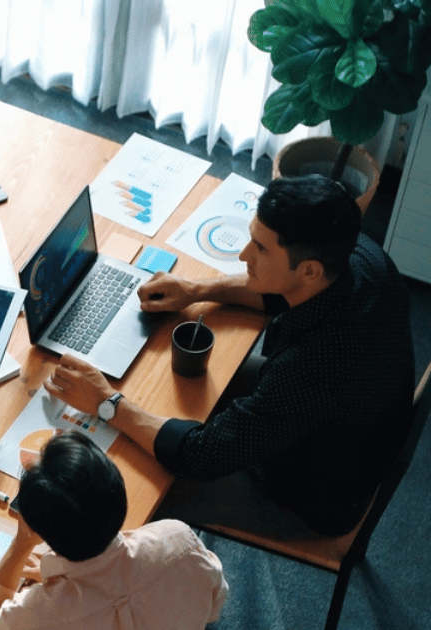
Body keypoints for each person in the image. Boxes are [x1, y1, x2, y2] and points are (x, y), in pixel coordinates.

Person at [45, 174, 415, 538]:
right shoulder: (356, 254)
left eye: (262, 249)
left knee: (125, 494)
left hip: (311, 497)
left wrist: (106, 402)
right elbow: (280, 291)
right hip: (339, 425)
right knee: (171, 389)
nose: (243, 255)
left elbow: (201, 457)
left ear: (309, 269)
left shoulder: (315, 366)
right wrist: (197, 290)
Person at [0, 432, 228, 630]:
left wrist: (21, 545)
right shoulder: (178, 539)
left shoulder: (39, 614)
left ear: (40, 531)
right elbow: (215, 607)